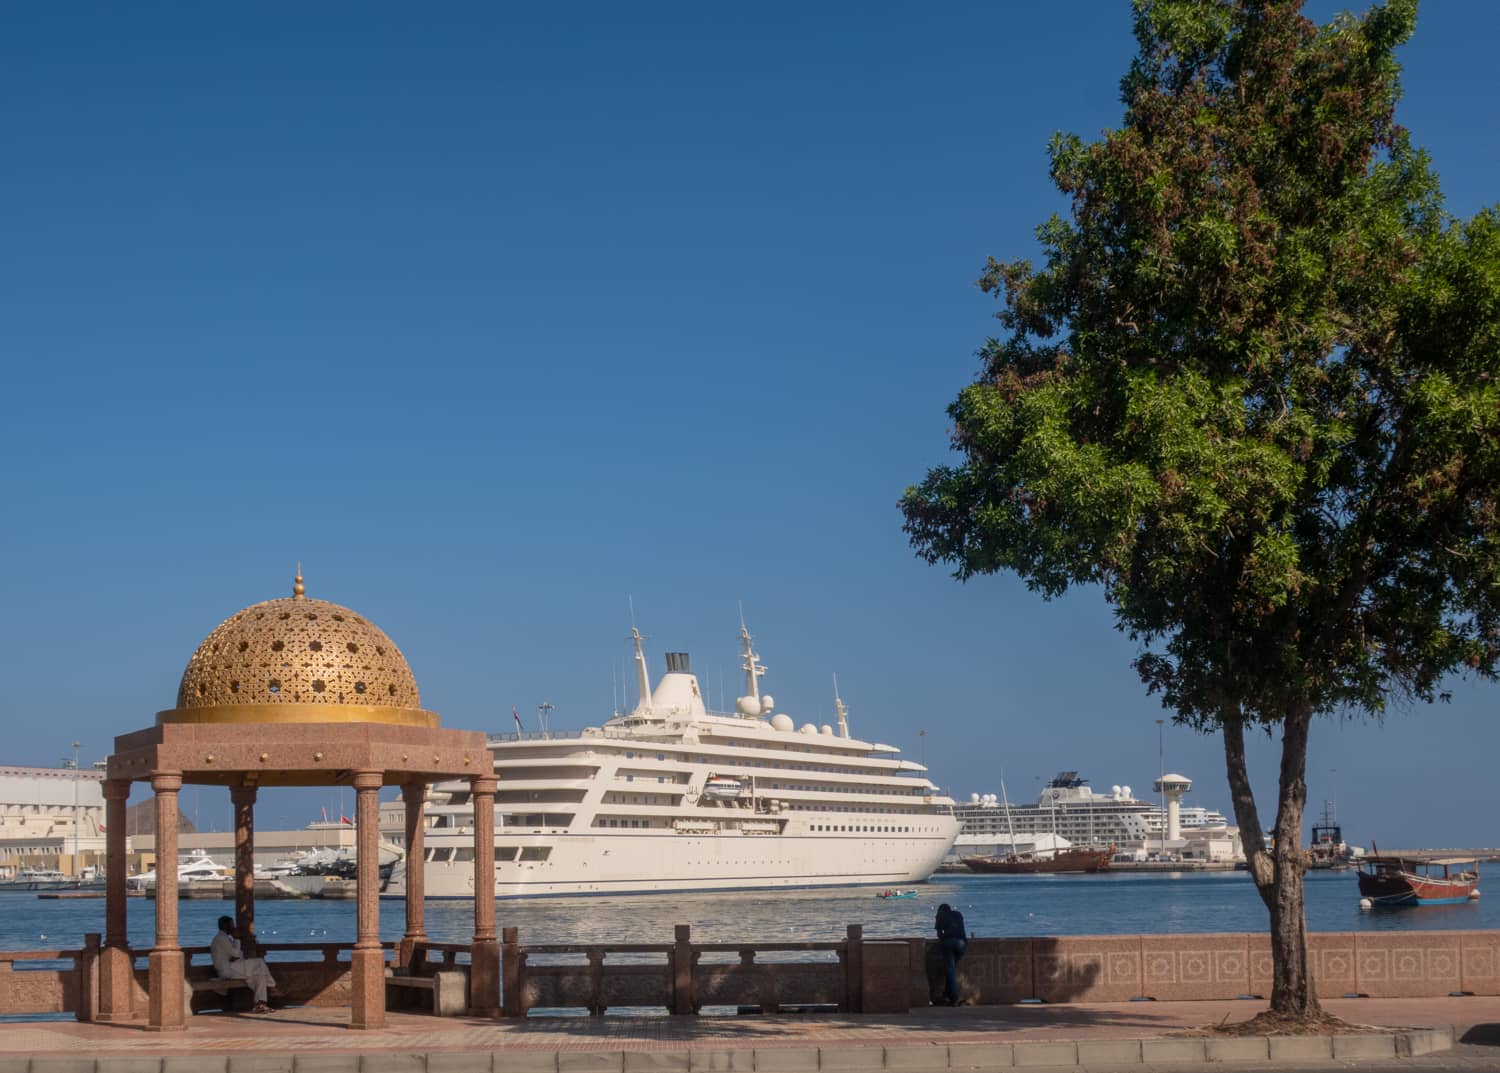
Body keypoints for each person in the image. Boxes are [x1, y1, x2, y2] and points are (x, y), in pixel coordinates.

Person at [210, 915, 276, 1013]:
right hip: (227, 970)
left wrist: (234, 951)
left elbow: (238, 955)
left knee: (260, 976)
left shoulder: (225, 938)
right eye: (232, 925)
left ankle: (260, 1005)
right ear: (225, 925)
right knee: (259, 962)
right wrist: (237, 938)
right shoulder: (221, 939)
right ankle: (272, 986)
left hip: (233, 968)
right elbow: (236, 953)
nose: (234, 927)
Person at [934, 902, 967, 1006]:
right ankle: (946, 995)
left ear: (940, 910)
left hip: (948, 943)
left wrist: (943, 937)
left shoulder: (940, 915)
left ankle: (954, 998)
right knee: (951, 971)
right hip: (962, 943)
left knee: (950, 970)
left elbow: (939, 934)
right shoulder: (958, 914)